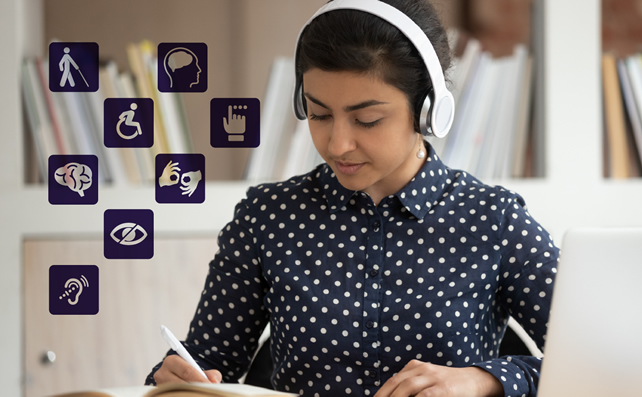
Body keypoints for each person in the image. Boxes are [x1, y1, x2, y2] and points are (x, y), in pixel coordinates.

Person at [145, 0, 559, 396]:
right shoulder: (266, 218)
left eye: (367, 120)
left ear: (428, 111)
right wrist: (177, 378)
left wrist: (485, 379)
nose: (338, 144)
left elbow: (601, 362)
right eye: (319, 114)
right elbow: (208, 364)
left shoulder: (492, 220)